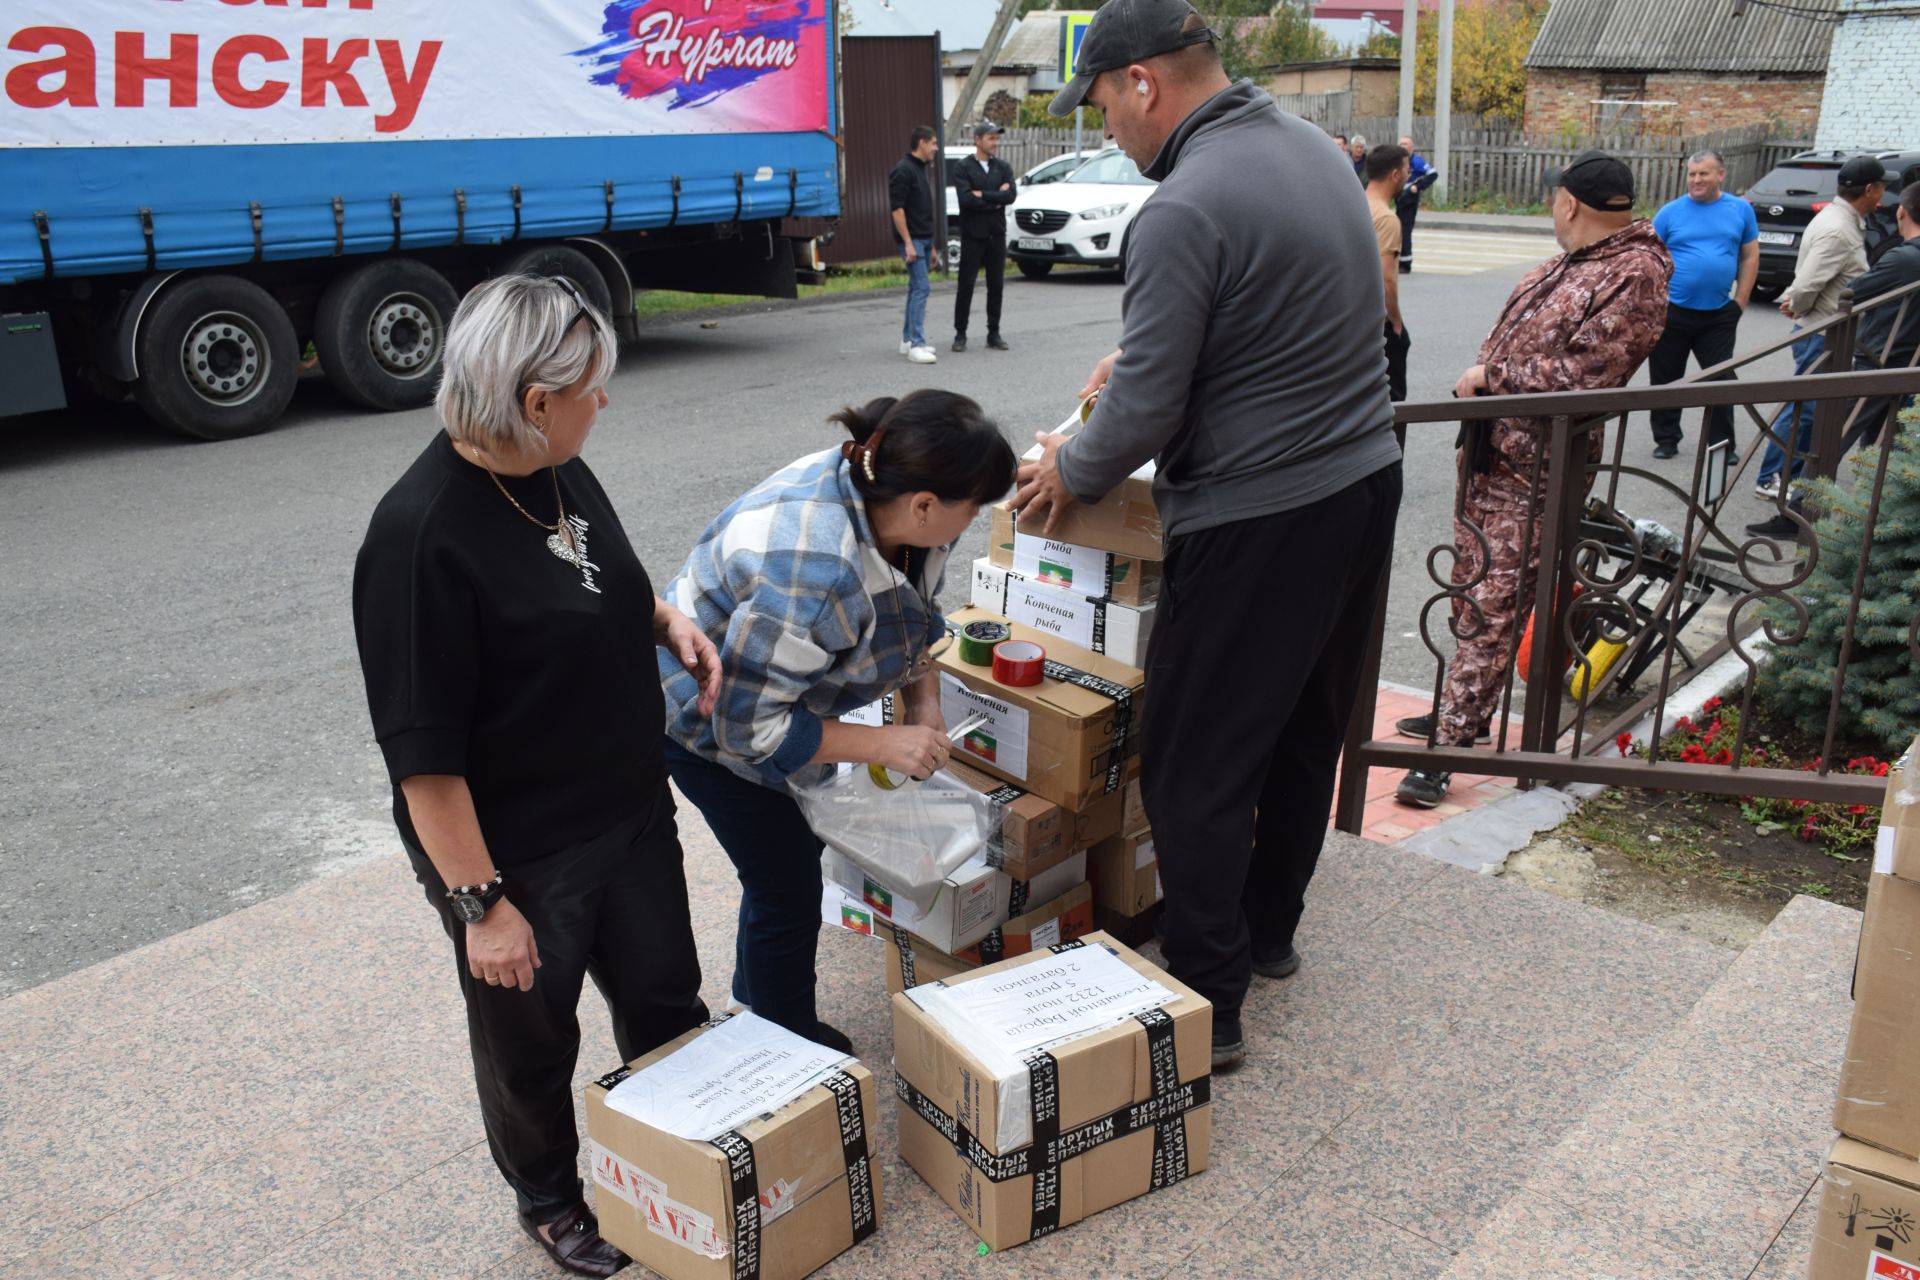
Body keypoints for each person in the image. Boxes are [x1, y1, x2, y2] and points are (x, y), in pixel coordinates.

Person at [1015, 0, 1404, 1069]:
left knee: (1191, 761)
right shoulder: (1317, 154)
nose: (1108, 131)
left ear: (1144, 82)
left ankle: (1206, 996)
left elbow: (1140, 414)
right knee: (1297, 726)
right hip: (1363, 479)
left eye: (1102, 104)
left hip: (1260, 512)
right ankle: (1267, 932)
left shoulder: (1182, 205)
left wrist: (1070, 467)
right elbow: (1300, 313)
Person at [353, 275, 721, 1278]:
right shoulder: (420, 537)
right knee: (529, 1039)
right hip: (517, 853)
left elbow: (604, 574)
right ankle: (550, 1196)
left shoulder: (554, 464)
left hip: (627, 808)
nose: (606, 400)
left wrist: (665, 621)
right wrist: (483, 904)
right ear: (532, 399)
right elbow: (424, 763)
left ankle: (681, 1155)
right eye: (592, 387)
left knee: (663, 994)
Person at [659, 391, 1016, 1051]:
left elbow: (918, 610)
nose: (977, 520)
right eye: (975, 508)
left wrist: (923, 702)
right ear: (926, 505)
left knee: (791, 860)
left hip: (768, 692)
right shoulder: (816, 570)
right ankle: (782, 1040)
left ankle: (756, 998)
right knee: (785, 880)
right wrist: (883, 742)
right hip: (703, 719)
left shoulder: (884, 483)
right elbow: (747, 732)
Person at [1395, 151, 1671, 809]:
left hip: (1540, 470)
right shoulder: (1572, 263)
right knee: (1470, 592)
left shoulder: (1636, 273)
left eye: (1554, 201)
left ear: (1569, 202)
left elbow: (1591, 378)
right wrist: (1489, 375)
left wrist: (1496, 379)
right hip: (1494, 455)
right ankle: (1467, 712)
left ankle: (1448, 751)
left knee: (1496, 604)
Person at [1748, 180, 1920, 539]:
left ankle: (1796, 515)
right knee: (1885, 445)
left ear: (1902, 211)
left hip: (1879, 363)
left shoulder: (1904, 257)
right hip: (1905, 365)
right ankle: (1882, 519)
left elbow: (1852, 293)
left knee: (1830, 441)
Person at [1751, 154, 1884, 501]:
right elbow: (1809, 283)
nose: (1884, 193)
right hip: (1820, 333)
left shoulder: (1843, 218)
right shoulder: (1838, 228)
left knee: (1812, 409)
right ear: (1870, 189)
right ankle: (1772, 477)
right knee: (1804, 411)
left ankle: (1795, 476)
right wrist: (1797, 306)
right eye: (1882, 186)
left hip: (1825, 331)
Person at [1645, 149, 1759, 460]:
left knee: (1720, 381)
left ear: (1720, 175)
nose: (1696, 180)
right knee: (1666, 379)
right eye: (1692, 174)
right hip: (1674, 312)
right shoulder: (1670, 213)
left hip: (1719, 314)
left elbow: (1749, 256)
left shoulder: (1740, 210)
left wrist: (1741, 300)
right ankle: (1666, 439)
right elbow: (1650, 260)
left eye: (1703, 174)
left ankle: (1722, 445)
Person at [953, 120, 1016, 352]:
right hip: (972, 235)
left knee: (996, 285)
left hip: (996, 235)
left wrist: (984, 195)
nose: (995, 142)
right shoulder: (963, 167)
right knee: (966, 285)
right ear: (977, 140)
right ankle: (960, 333)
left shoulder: (1003, 167)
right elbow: (966, 199)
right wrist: (994, 198)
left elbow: (1010, 196)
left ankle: (994, 332)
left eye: (997, 138)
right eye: (991, 138)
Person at [889, 125, 943, 365]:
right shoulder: (903, 170)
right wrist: (909, 244)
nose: (936, 148)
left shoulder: (920, 169)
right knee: (922, 288)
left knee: (916, 288)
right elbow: (897, 210)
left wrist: (930, 245)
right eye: (933, 143)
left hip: (923, 239)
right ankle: (917, 344)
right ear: (921, 142)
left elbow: (920, 212)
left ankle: (907, 340)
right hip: (912, 241)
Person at [1365, 143, 1412, 400]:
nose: (1408, 176)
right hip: (1379, 325)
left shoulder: (1354, 204)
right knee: (1392, 401)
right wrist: (1395, 323)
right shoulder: (1386, 219)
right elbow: (1386, 279)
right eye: (1406, 170)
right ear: (1395, 174)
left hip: (1354, 324)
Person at [1395, 135, 1438, 275]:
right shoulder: (1396, 161)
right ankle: (1396, 260)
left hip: (1409, 200)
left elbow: (1433, 173)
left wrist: (1418, 187)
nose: (1403, 146)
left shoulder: (1416, 161)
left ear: (1412, 147)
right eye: (1401, 144)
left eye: (1406, 144)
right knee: (1397, 231)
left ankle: (1405, 264)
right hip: (1399, 198)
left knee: (1405, 231)